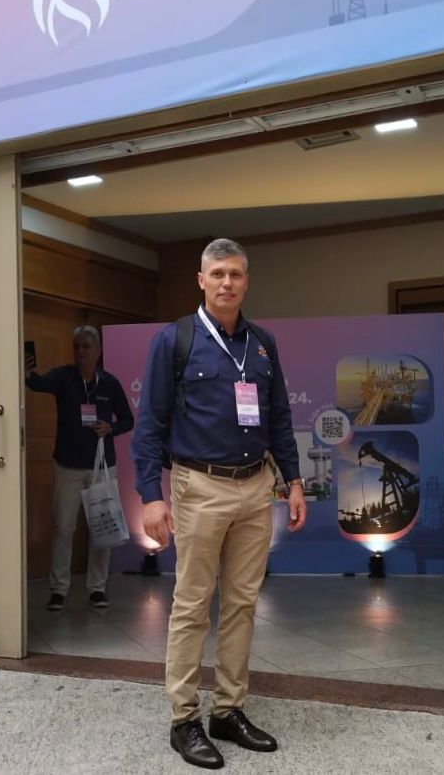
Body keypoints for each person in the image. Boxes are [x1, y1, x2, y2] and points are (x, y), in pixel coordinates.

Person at [132, 238, 307, 769]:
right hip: (199, 486)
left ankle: (228, 711)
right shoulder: (175, 340)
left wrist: (294, 481)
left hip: (256, 486)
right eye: (217, 274)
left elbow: (278, 417)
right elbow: (150, 423)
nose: (227, 282)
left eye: (235, 274)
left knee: (242, 603)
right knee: (191, 604)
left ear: (246, 281)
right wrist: (151, 497)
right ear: (201, 281)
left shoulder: (262, 344)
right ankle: (184, 719)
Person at [26, 325, 134, 611]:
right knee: (63, 528)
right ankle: (58, 589)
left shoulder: (109, 383)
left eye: (86, 346)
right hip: (68, 466)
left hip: (101, 466)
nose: (81, 352)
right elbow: (37, 383)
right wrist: (25, 371)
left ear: (98, 351)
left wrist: (110, 428)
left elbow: (128, 419)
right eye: (77, 346)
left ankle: (97, 588)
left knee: (102, 529)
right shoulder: (63, 377)